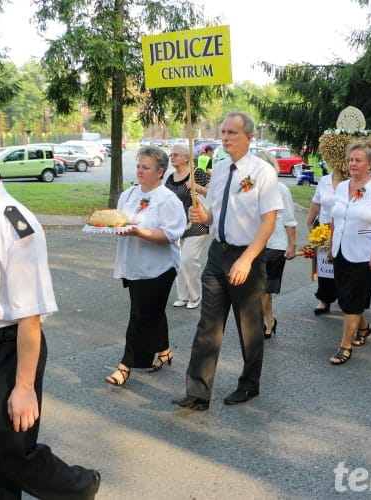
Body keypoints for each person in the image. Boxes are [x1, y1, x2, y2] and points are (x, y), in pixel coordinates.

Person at [0, 114, 100, 499]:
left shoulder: (14, 224)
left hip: (11, 350)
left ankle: (81, 486)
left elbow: (30, 316)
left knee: (15, 454)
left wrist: (24, 386)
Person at [172, 111, 282, 411]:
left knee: (249, 327)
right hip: (217, 254)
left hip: (246, 255)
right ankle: (198, 392)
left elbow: (269, 222)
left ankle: (249, 385)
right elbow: (215, 213)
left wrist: (247, 260)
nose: (225, 138)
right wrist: (203, 217)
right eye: (223, 132)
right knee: (208, 325)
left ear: (249, 137)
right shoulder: (219, 169)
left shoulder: (262, 172)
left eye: (232, 133)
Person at [105, 146, 186, 386]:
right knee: (152, 311)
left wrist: (140, 232)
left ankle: (126, 365)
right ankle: (164, 350)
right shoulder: (128, 195)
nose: (140, 171)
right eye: (139, 166)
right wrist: (116, 228)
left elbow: (171, 234)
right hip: (134, 264)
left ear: (160, 172)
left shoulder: (168, 199)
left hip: (159, 268)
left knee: (140, 316)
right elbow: (121, 222)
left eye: (146, 167)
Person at [328, 142, 371, 364]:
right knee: (345, 298)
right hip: (340, 252)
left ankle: (344, 346)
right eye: (350, 159)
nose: (352, 164)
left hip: (365, 255)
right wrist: (330, 246)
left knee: (353, 301)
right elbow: (335, 219)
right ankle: (364, 327)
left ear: (370, 164)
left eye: (358, 160)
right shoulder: (341, 186)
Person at [254, 149, 297, 339]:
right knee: (258, 289)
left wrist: (292, 245)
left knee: (263, 288)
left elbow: (289, 218)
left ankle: (267, 322)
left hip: (275, 244)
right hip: (253, 244)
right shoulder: (248, 189)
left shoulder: (281, 189)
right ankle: (268, 318)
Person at [166, 144, 210, 310]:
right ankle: (183, 296)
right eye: (171, 155)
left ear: (186, 158)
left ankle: (195, 295)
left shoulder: (196, 173)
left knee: (188, 260)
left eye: (176, 154)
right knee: (179, 262)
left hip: (197, 224)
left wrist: (197, 187)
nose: (172, 157)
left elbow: (212, 192)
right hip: (179, 226)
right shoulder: (171, 178)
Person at [306, 168, 342, 315]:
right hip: (324, 228)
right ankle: (323, 299)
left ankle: (344, 295)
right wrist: (309, 221)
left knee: (341, 265)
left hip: (343, 229)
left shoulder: (350, 180)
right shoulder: (324, 180)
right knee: (324, 266)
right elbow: (316, 202)